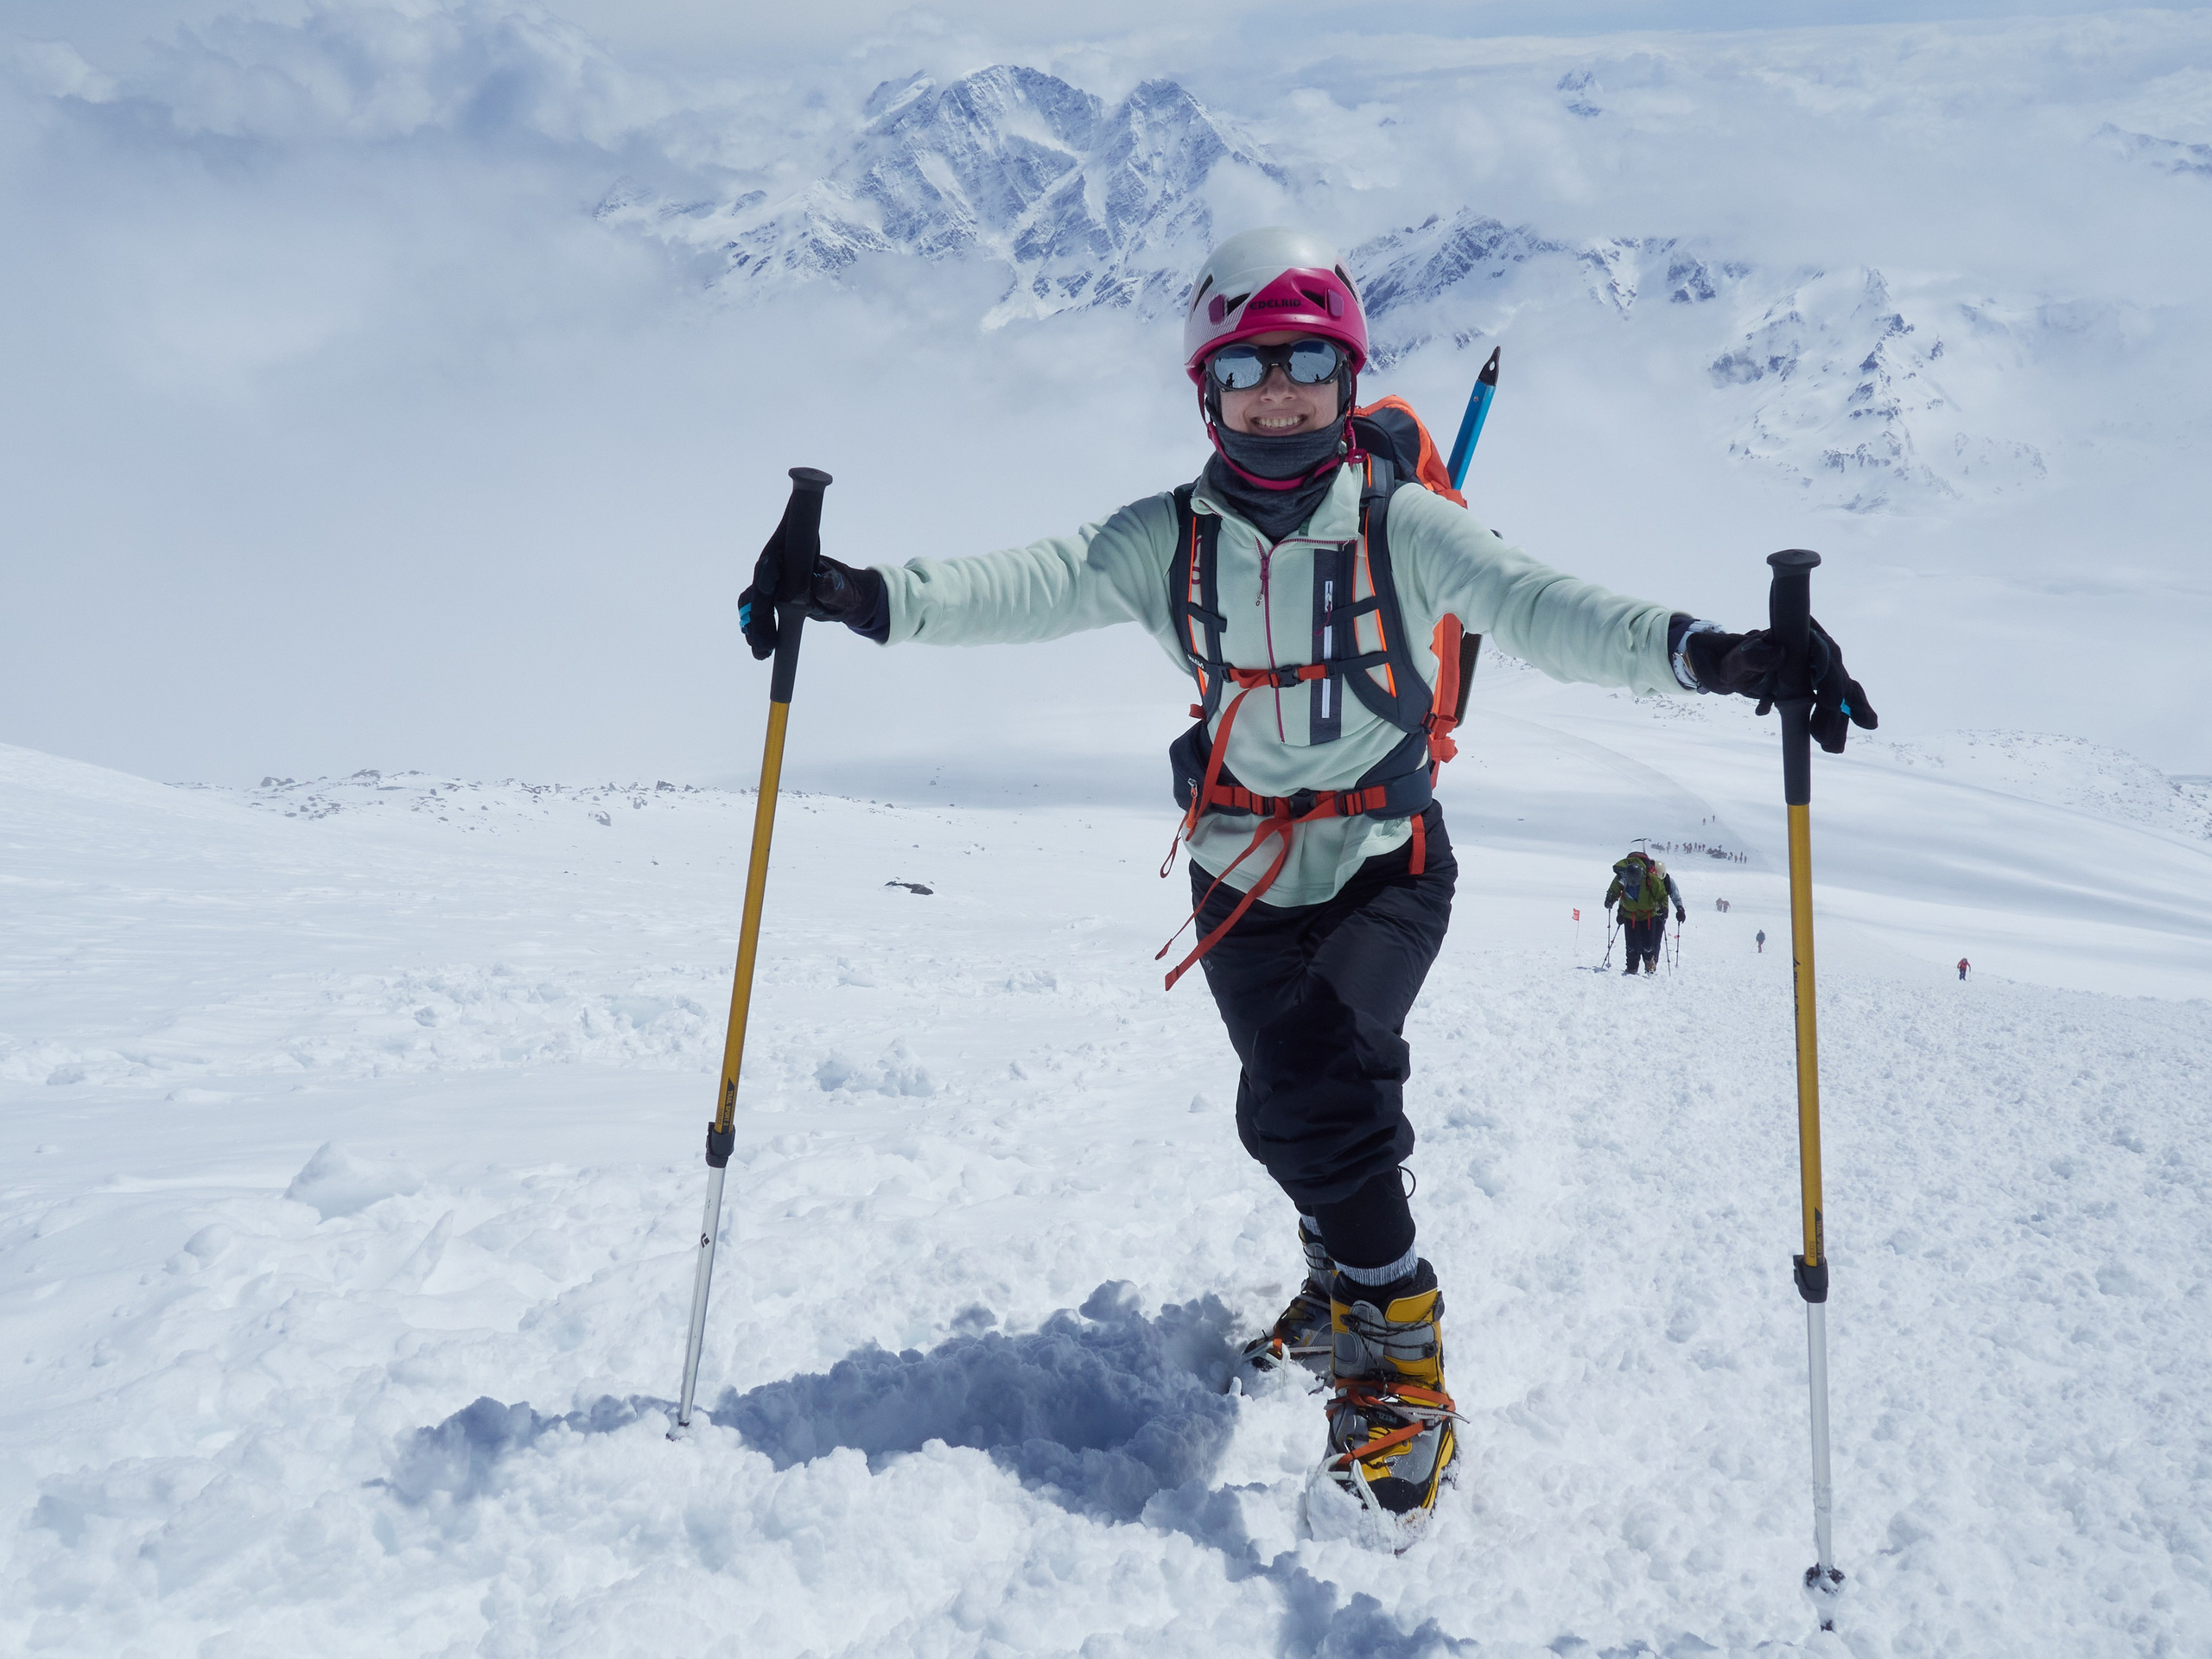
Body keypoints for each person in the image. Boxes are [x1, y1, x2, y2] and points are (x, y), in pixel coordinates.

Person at [738, 226, 1877, 1527]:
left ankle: (1399, 1365)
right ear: (1206, 390)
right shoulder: (1167, 539)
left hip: (1388, 865)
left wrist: (1716, 656)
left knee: (1313, 1078)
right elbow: (1028, 584)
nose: (1277, 391)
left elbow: (1549, 606)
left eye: (1305, 364)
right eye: (1247, 369)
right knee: (1283, 1106)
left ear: (1345, 378)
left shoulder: (1406, 525)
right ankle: (1338, 1279)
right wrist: (855, 591)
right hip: (1233, 879)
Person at [1605, 849, 1683, 976]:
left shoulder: (1650, 879)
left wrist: (1667, 908)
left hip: (1647, 915)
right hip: (1634, 915)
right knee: (1639, 944)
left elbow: (1663, 895)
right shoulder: (1628, 876)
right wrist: (1616, 905)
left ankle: (1636, 968)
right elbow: (1620, 893)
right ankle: (1645, 968)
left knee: (1644, 944)